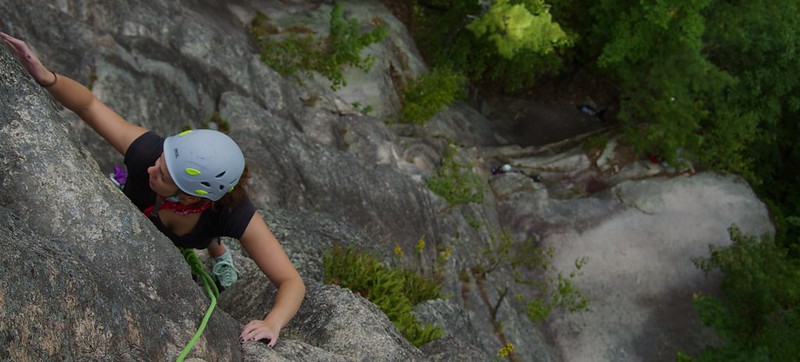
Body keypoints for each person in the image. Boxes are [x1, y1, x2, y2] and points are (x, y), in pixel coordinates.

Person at [1, 32, 305, 347]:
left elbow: (291, 281)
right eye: (159, 161)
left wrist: (272, 323)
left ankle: (218, 251)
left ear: (190, 195)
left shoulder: (233, 210)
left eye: (162, 174)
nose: (150, 169)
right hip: (151, 210)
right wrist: (46, 76)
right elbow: (90, 106)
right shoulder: (149, 151)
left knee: (207, 234)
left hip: (199, 226)